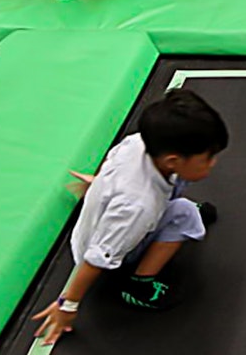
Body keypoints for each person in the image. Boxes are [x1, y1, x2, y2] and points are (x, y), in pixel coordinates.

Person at [31, 89, 229, 345]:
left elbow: (111, 170)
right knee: (186, 214)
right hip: (112, 247)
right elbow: (97, 257)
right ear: (172, 160)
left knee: (178, 184)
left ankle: (167, 212)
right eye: (208, 158)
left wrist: (99, 190)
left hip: (117, 220)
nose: (212, 163)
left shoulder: (138, 143)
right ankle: (140, 285)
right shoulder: (138, 206)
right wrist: (67, 305)